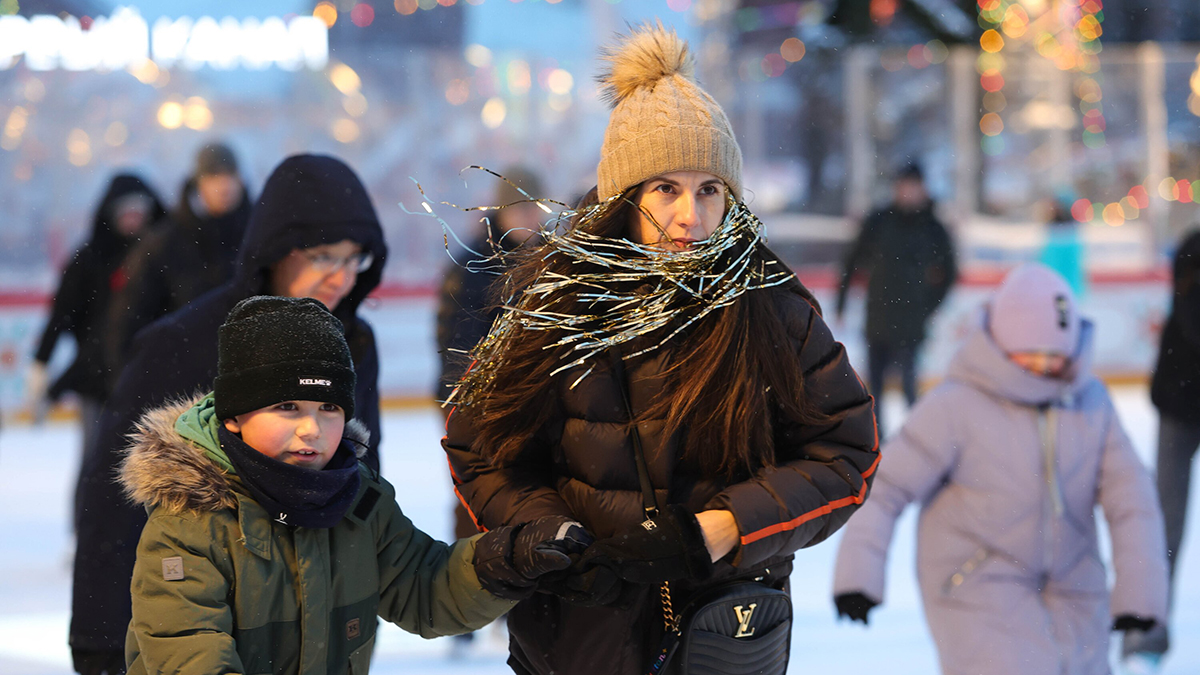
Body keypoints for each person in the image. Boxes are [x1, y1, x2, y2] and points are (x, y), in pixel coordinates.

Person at [442, 24, 879, 675]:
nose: (690, 217)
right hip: (577, 637)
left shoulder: (773, 305)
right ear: (626, 197)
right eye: (666, 188)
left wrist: (718, 530)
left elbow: (846, 454)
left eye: (710, 190)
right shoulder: (554, 305)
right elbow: (480, 448)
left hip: (721, 637)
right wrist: (554, 537)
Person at [120, 295, 586, 675]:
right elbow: (187, 655)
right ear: (235, 417)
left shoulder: (358, 502)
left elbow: (425, 589)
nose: (312, 429)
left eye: (329, 408)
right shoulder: (190, 523)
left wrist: (502, 560)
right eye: (287, 407)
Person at [69, 154, 388, 675]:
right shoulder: (182, 343)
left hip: (317, 629)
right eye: (324, 255)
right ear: (276, 249)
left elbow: (362, 479)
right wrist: (99, 642)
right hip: (199, 626)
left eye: (355, 260)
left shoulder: (353, 340)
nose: (341, 277)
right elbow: (113, 502)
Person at [832, 263, 1168, 675]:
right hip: (975, 584)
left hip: (1075, 584)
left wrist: (1141, 595)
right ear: (1002, 344)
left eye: (1056, 356)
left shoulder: (1090, 402)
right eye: (1033, 353)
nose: (1045, 367)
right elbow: (887, 488)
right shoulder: (956, 406)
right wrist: (858, 577)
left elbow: (1132, 501)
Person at [27, 174, 166, 522]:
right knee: (96, 459)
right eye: (125, 210)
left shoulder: (164, 255)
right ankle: (86, 535)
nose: (133, 217)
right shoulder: (90, 258)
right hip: (97, 379)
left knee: (153, 460)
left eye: (140, 209)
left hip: (153, 374)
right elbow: (60, 315)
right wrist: (41, 364)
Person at [106, 142, 252, 376]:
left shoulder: (257, 234)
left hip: (249, 376)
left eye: (230, 175)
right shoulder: (165, 241)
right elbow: (131, 316)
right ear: (199, 182)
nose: (225, 185)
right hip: (181, 380)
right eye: (214, 176)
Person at [836, 163, 957, 431]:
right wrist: (841, 301)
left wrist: (928, 306)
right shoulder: (879, 220)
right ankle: (876, 444)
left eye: (914, 186)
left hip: (911, 322)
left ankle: (915, 443)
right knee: (873, 389)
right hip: (878, 317)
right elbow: (852, 261)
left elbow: (949, 272)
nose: (908, 192)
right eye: (904, 186)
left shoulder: (932, 227)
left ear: (923, 189)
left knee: (910, 386)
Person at [1135, 226, 1200, 667]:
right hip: (1182, 399)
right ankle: (1145, 635)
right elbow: (1194, 319)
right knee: (1164, 522)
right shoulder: (1194, 249)